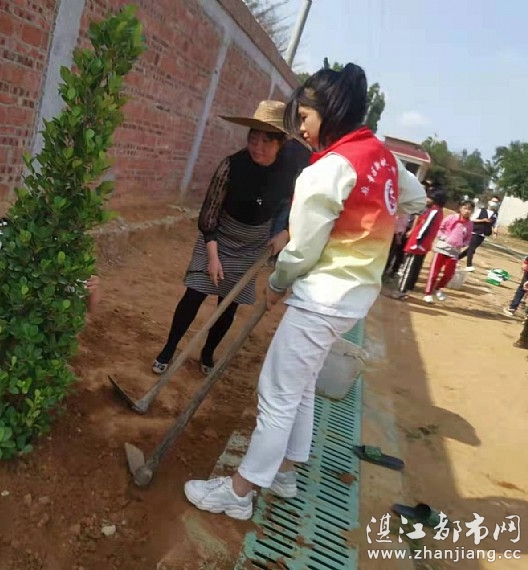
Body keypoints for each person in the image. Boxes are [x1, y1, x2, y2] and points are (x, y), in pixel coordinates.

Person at [183, 63, 427, 520]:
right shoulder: (381, 156)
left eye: (305, 118)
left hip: (322, 298)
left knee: (277, 392)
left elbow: (301, 250)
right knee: (301, 386)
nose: (301, 129)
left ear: (330, 112)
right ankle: (286, 472)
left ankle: (239, 492)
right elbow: (413, 199)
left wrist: (277, 284)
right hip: (354, 298)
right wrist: (371, 221)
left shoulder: (329, 169)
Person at [152, 101, 300, 376]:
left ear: (281, 143)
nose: (257, 147)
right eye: (253, 139)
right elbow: (209, 214)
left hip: (253, 244)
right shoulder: (231, 166)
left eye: (266, 141)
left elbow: (299, 208)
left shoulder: (290, 173)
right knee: (194, 294)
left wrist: (285, 232)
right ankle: (169, 349)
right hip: (219, 236)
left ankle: (208, 353)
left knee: (228, 304)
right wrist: (212, 256)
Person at [0, 220, 101, 370]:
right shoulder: (3, 237)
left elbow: (88, 309)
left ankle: (35, 351)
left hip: (34, 319)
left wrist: (93, 288)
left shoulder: (64, 255)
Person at [395, 186, 447, 299]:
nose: (426, 199)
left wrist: (417, 243)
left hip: (418, 245)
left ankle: (401, 291)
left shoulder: (434, 211)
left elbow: (425, 228)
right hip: (421, 245)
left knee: (408, 269)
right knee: (413, 269)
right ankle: (405, 291)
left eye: (429, 197)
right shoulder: (436, 211)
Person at [423, 200, 474, 303]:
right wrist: (444, 238)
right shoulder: (452, 218)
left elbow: (468, 238)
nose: (467, 211)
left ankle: (438, 288)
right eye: (465, 208)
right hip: (442, 249)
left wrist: (462, 244)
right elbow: (440, 228)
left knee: (449, 274)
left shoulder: (470, 224)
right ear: (460, 208)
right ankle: (428, 293)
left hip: (454, 252)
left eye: (469, 209)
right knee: (434, 273)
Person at [459, 195, 500, 269]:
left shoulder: (495, 214)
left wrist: (495, 232)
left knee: (470, 249)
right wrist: (482, 220)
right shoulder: (481, 210)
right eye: (493, 201)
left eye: (496, 202)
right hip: (475, 231)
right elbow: (472, 219)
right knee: (472, 249)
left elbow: (495, 224)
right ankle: (469, 265)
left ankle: (456, 258)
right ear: (489, 202)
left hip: (483, 234)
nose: (495, 203)